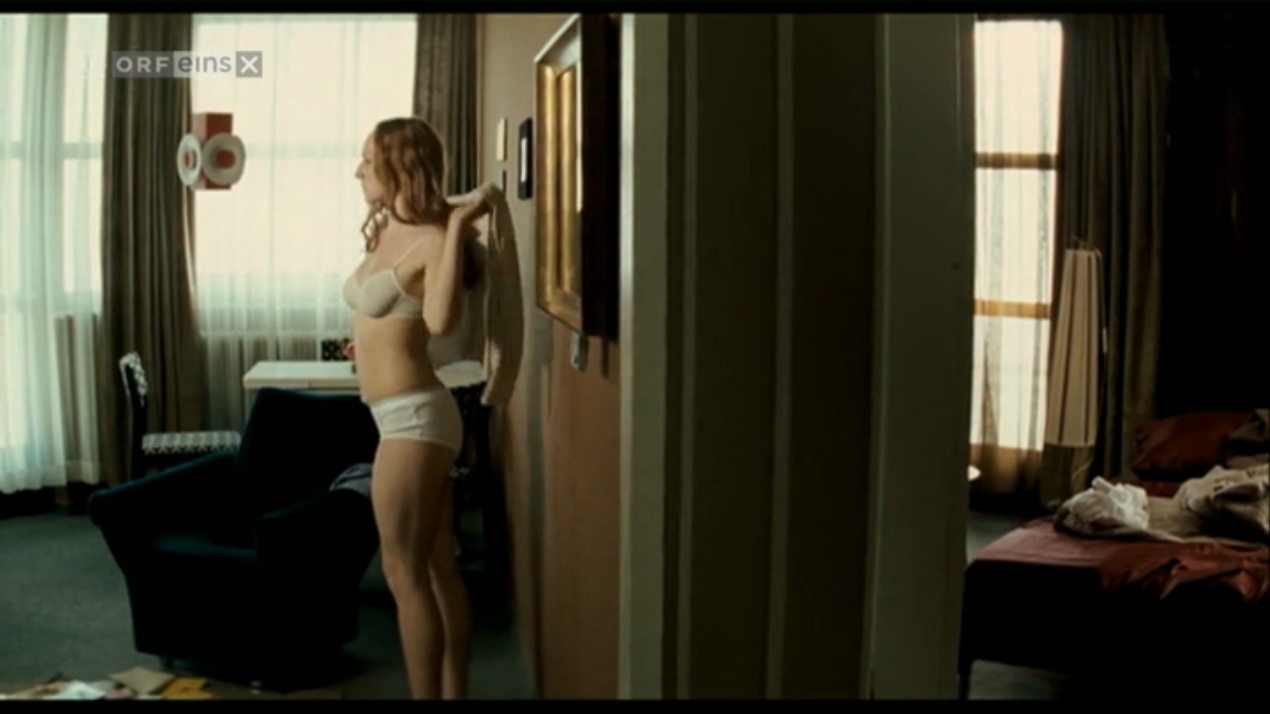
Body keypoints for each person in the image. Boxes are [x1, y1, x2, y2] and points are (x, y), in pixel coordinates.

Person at [343, 117, 490, 700]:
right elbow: (387, 314)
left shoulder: (431, 237)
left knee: (400, 573)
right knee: (435, 569)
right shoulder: (389, 229)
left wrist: (453, 231)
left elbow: (440, 321)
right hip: (404, 415)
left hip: (414, 419)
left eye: (367, 160)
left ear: (398, 166)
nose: (357, 172)